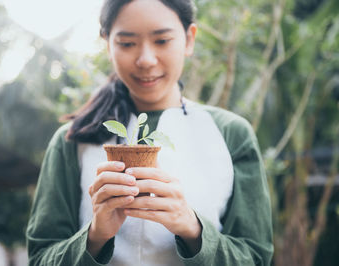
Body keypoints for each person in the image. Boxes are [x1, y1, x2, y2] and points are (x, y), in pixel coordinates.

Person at [26, 0, 274, 265]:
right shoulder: (73, 141)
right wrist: (95, 235)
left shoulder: (231, 133)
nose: (145, 60)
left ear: (189, 39)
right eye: (127, 43)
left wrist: (192, 228)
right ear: (107, 43)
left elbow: (256, 258)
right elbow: (40, 257)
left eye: (162, 40)